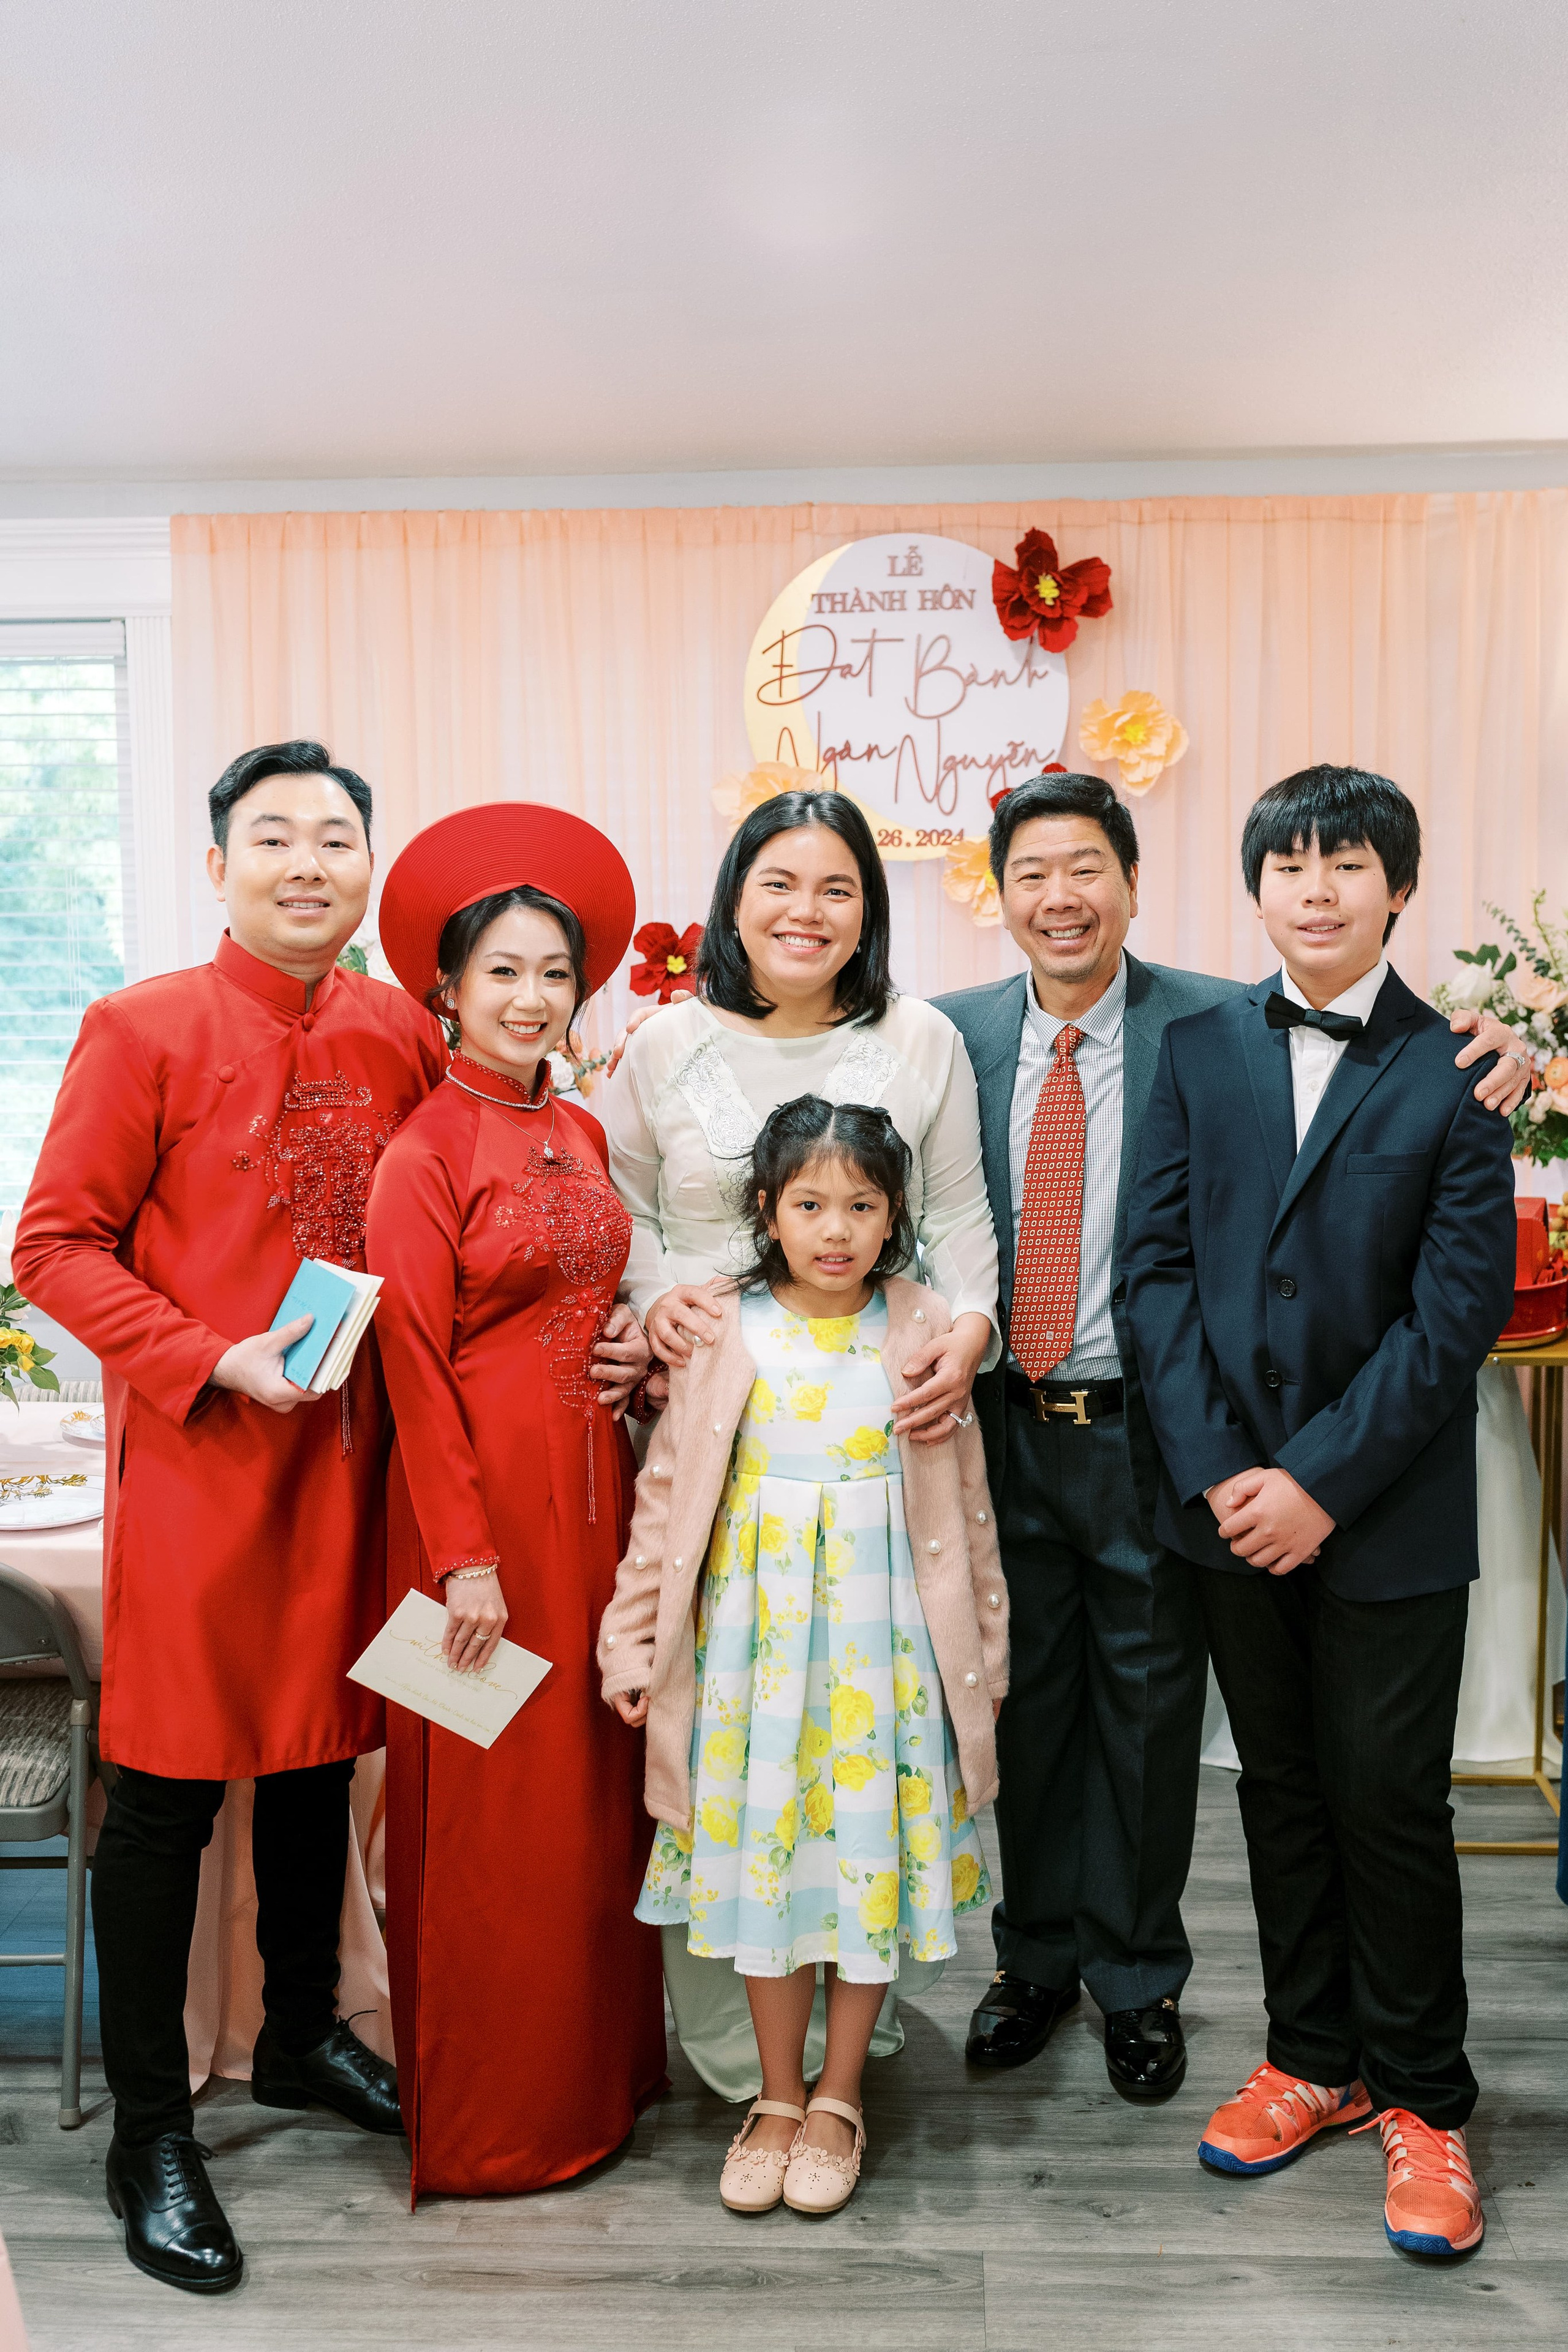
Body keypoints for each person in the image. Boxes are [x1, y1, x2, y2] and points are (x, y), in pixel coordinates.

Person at [933, 772, 1530, 2103]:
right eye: (1032, 871)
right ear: (999, 892)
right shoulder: (940, 1035)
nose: (1060, 895)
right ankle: (1038, 1961)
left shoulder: (1212, 1016)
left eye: (1086, 866)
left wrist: (1517, 1044)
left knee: (1160, 1726)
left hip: (1165, 1437)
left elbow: (1437, 1246)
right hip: (1011, 1427)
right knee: (1033, 1709)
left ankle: (1146, 1983)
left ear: (1134, 885)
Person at [12, 741, 442, 2295]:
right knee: (170, 1801)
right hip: (202, 1473)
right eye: (276, 838)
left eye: (340, 836)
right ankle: (148, 2132)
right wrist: (207, 1360)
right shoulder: (143, 1028)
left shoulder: (404, 1027)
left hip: (353, 1466)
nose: (310, 862)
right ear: (218, 866)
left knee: (331, 1752)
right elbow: (52, 1244)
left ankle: (302, 2035)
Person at [1122, 764, 1515, 2258]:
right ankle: (1315, 2057)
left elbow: (1452, 1313)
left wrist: (1319, 1483)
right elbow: (1152, 1271)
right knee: (1274, 1789)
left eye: (1345, 863)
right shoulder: (1201, 1049)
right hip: (1225, 1504)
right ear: (1254, 887)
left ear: (1396, 886)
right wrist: (1229, 1471)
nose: (1314, 888)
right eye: (1287, 864)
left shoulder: (1460, 1068)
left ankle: (1424, 2098)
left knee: (1386, 1800)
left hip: (1387, 1509)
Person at [603, 786, 1001, 2094]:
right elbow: (625, 1208)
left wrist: (969, 1338)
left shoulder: (922, 1038)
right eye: (779, 883)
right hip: (711, 1412)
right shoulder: (662, 1043)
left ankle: (843, 2042)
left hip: (874, 1429)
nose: (805, 912)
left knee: (852, 1734)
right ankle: (738, 2052)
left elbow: (956, 1219)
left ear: (868, 914)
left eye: (837, 889)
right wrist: (656, 1297)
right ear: (732, 897)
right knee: (730, 1729)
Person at [597, 1096, 1006, 2215]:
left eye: (863, 1207)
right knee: (765, 1865)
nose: (837, 1229)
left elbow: (968, 1516)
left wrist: (990, 1662)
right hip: (750, 1655)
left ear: (895, 1218)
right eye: (810, 1204)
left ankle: (839, 2096)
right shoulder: (721, 1327)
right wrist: (631, 1643)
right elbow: (668, 1499)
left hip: (886, 1652)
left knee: (864, 1863)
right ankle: (775, 2097)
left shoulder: (925, 1328)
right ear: (766, 1212)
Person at [366, 804, 667, 2198]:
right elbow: (412, 1372)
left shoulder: (585, 1126)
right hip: (476, 1528)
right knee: (492, 1821)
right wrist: (461, 1560)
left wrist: (627, 1354)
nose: (530, 996)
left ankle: (598, 2082)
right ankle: (497, 2123)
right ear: (446, 988)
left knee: (597, 1804)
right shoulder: (424, 1151)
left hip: (596, 1505)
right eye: (501, 971)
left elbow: (598, 1294)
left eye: (553, 971)